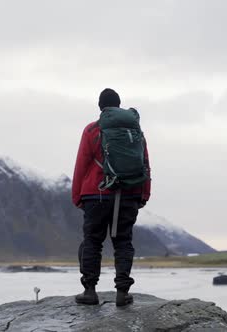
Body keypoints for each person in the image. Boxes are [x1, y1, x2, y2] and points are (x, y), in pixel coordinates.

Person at [72, 88, 151, 307]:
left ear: (100, 107)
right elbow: (145, 163)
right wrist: (144, 193)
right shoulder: (135, 131)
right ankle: (122, 293)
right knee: (123, 242)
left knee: (92, 242)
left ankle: (89, 291)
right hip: (129, 194)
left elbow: (82, 164)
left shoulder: (92, 130)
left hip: (95, 194)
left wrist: (77, 195)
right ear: (119, 105)